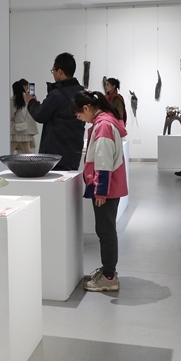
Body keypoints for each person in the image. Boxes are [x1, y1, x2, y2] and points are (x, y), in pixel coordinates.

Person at [73, 90, 128, 292]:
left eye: (78, 113)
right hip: (109, 187)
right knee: (105, 230)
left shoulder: (103, 125)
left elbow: (103, 161)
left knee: (105, 231)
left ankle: (109, 276)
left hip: (107, 189)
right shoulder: (105, 122)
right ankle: (107, 271)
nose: (78, 117)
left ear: (87, 108)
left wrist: (101, 191)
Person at [24, 52, 85, 170]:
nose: (53, 74)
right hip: (74, 152)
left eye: (53, 70)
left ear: (60, 71)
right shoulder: (81, 93)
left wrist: (31, 102)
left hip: (54, 155)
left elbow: (40, 115)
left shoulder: (57, 95)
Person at [10, 79, 39, 154]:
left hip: (16, 128)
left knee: (10, 151)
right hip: (26, 128)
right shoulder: (29, 98)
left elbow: (11, 113)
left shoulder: (14, 99)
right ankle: (34, 161)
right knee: (27, 150)